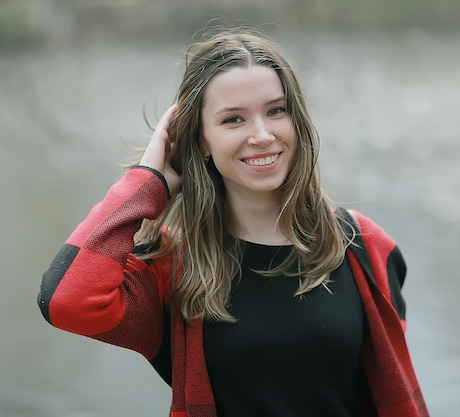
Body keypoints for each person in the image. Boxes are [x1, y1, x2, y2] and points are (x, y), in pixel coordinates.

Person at [37, 28, 429, 417]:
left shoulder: (362, 244)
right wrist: (148, 183)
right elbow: (66, 301)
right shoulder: (169, 266)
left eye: (276, 110)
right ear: (201, 139)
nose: (262, 135)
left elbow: (387, 389)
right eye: (233, 119)